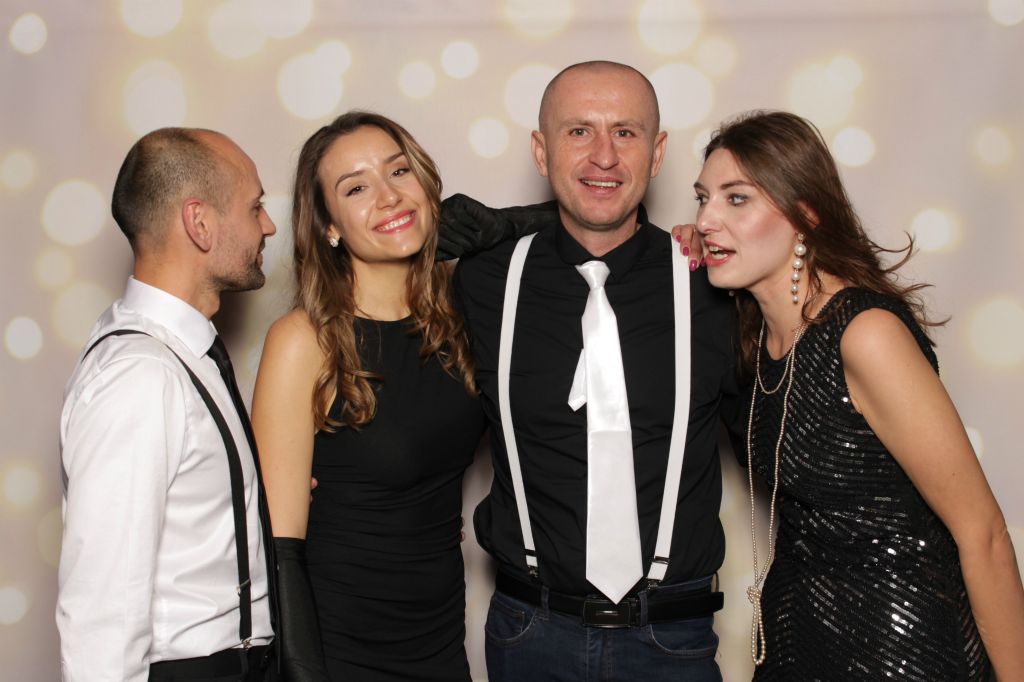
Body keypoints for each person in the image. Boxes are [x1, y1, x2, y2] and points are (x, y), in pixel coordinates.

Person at [692, 110, 1024, 680]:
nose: (705, 219)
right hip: (799, 643)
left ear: (806, 214)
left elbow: (984, 534)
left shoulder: (865, 335)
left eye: (737, 198)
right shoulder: (755, 337)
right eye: (702, 199)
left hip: (901, 647)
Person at [445, 60, 745, 681]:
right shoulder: (484, 279)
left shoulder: (712, 283)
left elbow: (781, 431)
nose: (604, 155)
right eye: (578, 131)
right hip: (528, 634)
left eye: (625, 132)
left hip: (674, 639)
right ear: (541, 150)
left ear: (657, 153)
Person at [251, 111, 486, 681]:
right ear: (329, 226)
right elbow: (277, 548)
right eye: (355, 188)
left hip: (439, 637)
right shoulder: (303, 341)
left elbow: (571, 226)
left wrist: (672, 235)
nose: (388, 197)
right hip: (341, 645)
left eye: (399, 171)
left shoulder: (459, 314)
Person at [58, 128, 278, 681]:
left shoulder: (178, 352)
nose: (269, 226)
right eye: (254, 207)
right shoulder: (141, 375)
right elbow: (101, 613)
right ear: (199, 223)